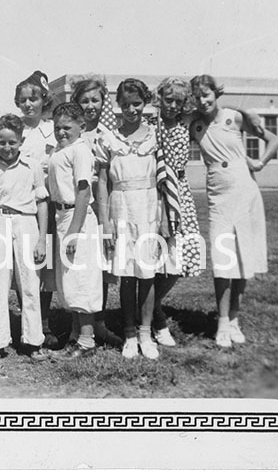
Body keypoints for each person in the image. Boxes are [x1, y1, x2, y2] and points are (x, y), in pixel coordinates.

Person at [190, 75, 278, 348]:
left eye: (207, 95)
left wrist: (260, 162)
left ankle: (234, 320)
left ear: (216, 94)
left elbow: (274, 140)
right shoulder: (193, 124)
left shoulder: (233, 117)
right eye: (197, 97)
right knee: (222, 257)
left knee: (242, 257)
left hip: (245, 191)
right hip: (218, 195)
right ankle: (221, 322)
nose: (203, 101)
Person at [96, 79, 166, 359]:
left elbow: (162, 178)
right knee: (126, 274)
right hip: (121, 206)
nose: (131, 109)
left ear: (145, 103)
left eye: (136, 103)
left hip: (149, 206)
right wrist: (106, 219)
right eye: (125, 104)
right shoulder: (109, 138)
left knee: (147, 273)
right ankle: (129, 335)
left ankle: (146, 333)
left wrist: (163, 217)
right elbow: (102, 180)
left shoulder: (154, 135)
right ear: (118, 105)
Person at [0, 114, 49, 362]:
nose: (7, 148)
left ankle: (33, 341)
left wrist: (41, 239)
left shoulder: (33, 167)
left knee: (29, 282)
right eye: (1, 142)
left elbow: (41, 203)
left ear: (21, 140)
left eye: (12, 142)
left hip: (26, 223)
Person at [70, 76, 125, 348]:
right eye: (85, 101)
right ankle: (75, 324)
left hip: (102, 202)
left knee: (99, 268)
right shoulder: (72, 133)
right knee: (77, 266)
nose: (90, 106)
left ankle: (99, 322)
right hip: (77, 203)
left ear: (104, 103)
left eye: (95, 100)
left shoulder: (107, 135)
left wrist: (106, 218)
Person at [151, 77, 205, 347]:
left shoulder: (186, 125)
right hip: (155, 191)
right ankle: (154, 319)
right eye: (167, 99)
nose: (172, 105)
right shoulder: (151, 124)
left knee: (177, 260)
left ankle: (153, 309)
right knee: (152, 260)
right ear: (159, 97)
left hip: (180, 193)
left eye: (178, 101)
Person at [47, 102, 104, 359]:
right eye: (57, 127)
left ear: (81, 127)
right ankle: (74, 336)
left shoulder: (81, 151)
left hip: (76, 217)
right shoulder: (61, 151)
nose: (61, 132)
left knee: (82, 280)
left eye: (67, 127)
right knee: (69, 281)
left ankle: (86, 341)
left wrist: (73, 231)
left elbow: (83, 191)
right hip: (62, 215)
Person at [14, 70, 60, 349]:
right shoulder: (14, 129)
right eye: (23, 100)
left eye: (33, 99)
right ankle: (26, 319)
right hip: (22, 204)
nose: (28, 105)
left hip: (47, 202)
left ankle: (43, 321)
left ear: (43, 100)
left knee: (45, 265)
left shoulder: (52, 129)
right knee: (25, 264)